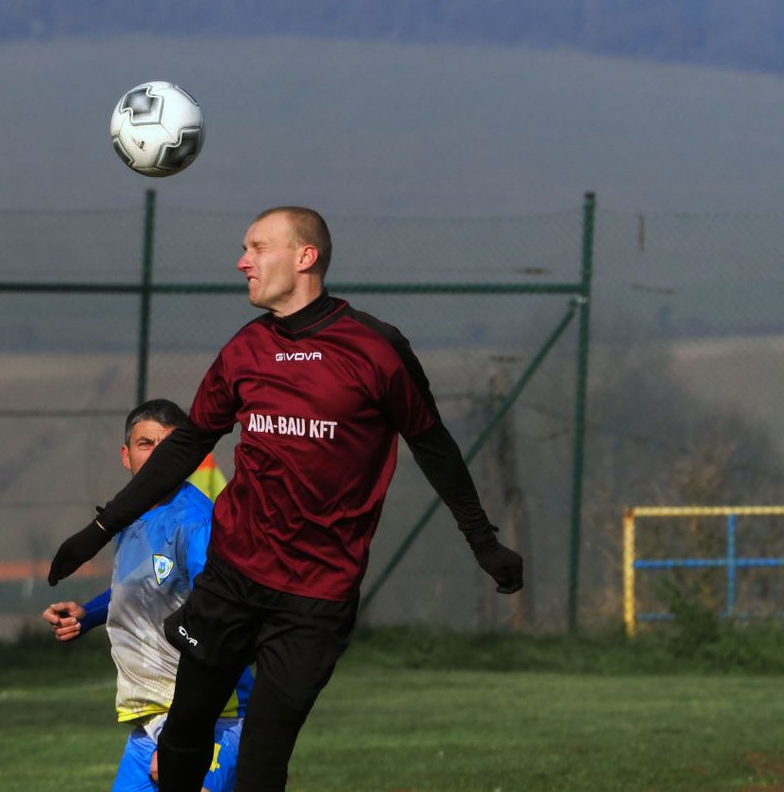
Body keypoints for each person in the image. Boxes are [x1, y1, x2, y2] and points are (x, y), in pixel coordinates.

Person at [48, 207, 524, 791]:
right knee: (183, 738)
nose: (242, 261)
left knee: (262, 765)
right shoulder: (246, 349)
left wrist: (483, 540)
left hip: (315, 598)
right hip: (232, 580)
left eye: (257, 247)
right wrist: (97, 532)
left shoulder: (376, 349)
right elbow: (187, 445)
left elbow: (433, 445)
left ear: (305, 257)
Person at [42, 398, 253, 792]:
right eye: (145, 444)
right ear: (126, 455)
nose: (157, 457)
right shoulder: (129, 515)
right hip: (154, 720)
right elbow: (147, 586)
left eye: (169, 447)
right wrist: (87, 614)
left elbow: (217, 615)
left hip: (211, 716)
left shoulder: (194, 521)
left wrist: (182, 738)